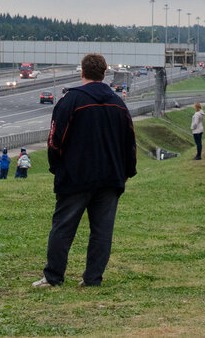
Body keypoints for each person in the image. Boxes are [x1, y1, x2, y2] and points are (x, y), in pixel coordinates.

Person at [34, 53, 137, 288]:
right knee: (102, 231)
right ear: (104, 74)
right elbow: (130, 142)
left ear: (82, 72)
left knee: (63, 228)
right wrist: (127, 171)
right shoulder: (118, 104)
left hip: (75, 177)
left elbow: (54, 140)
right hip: (111, 178)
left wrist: (56, 167)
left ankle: (53, 277)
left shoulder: (70, 101)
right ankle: (92, 279)